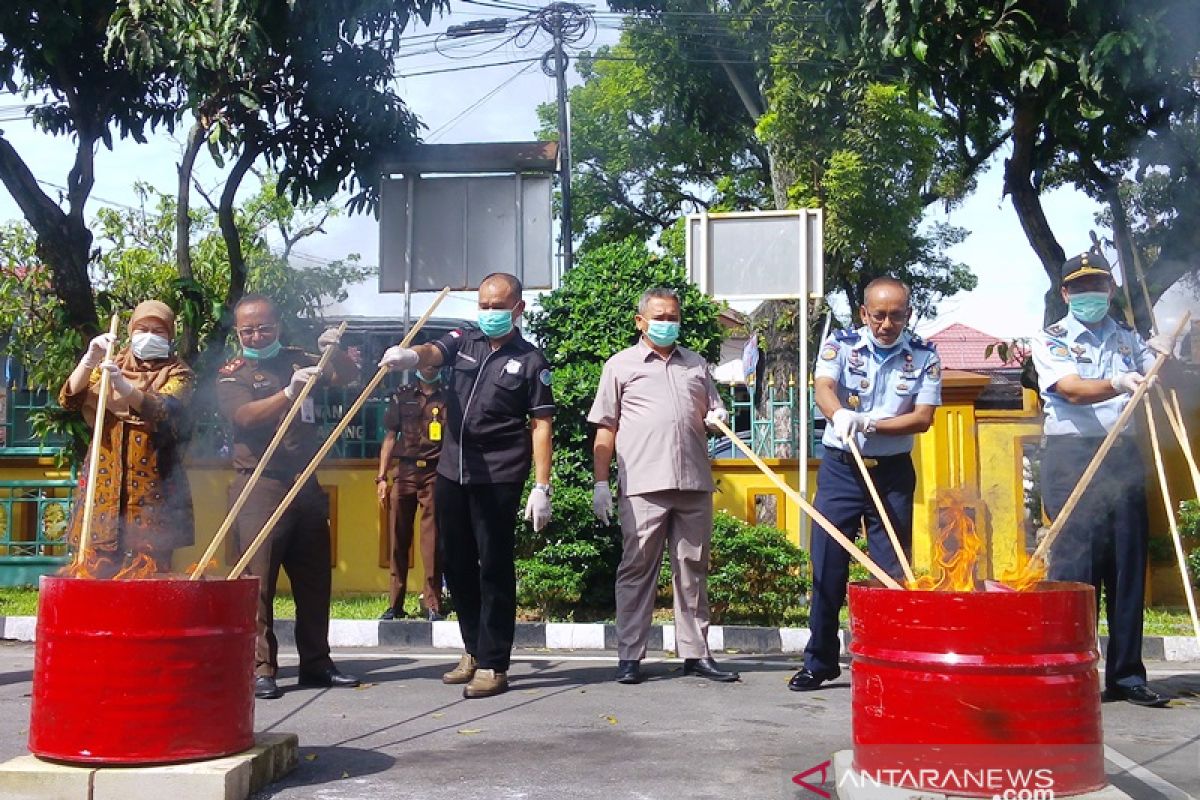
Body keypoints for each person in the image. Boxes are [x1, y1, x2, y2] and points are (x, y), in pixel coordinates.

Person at [379, 272, 554, 699]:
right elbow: (433, 351)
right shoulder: (466, 339)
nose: (489, 313)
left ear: (518, 309)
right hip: (452, 470)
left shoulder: (531, 361)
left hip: (499, 476)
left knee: (494, 567)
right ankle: (473, 650)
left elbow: (541, 424)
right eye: (484, 305)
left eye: (498, 306)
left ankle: (495, 663)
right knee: (455, 564)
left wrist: (542, 486)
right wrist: (409, 356)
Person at [1031, 249, 1175, 708]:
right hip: (1073, 455)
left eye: (1099, 285)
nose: (1092, 294)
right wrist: (1118, 383)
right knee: (1076, 568)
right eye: (1082, 287)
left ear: (1110, 290)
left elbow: (1149, 376)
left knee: (1127, 564)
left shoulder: (1127, 336)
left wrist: (1160, 356)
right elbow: (1069, 389)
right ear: (1066, 292)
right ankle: (1068, 673)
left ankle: (1127, 675)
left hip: (1122, 452)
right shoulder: (1051, 338)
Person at [790, 276, 942, 692]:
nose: (886, 324)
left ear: (908, 315)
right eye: (878, 315)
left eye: (896, 315)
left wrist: (871, 423)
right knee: (827, 564)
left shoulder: (926, 355)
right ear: (864, 314)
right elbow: (823, 387)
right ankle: (819, 660)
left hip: (892, 472)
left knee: (890, 570)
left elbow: (923, 417)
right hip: (841, 468)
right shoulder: (840, 344)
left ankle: (885, 661)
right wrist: (838, 413)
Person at [587, 287, 739, 684]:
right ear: (640, 321)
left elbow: (714, 408)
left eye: (673, 317)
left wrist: (717, 412)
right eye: (659, 317)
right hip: (643, 484)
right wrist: (601, 483)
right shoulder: (619, 366)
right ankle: (630, 656)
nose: (666, 323)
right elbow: (605, 429)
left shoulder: (696, 365)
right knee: (637, 569)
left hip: (693, 482)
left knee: (693, 568)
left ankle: (696, 653)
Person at [216, 294, 360, 700]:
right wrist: (286, 394)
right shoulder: (233, 372)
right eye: (248, 330)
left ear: (278, 325)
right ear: (238, 332)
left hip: (305, 481)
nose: (257, 335)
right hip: (260, 482)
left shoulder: (298, 359)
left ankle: (316, 661)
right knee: (258, 580)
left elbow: (346, 377)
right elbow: (243, 416)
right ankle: (261, 667)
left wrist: (332, 353)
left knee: (315, 577)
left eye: (265, 327)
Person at [60, 300, 195, 577]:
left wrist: (126, 388)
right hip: (105, 486)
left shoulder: (179, 372)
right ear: (131, 332)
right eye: (142, 329)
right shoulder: (110, 364)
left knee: (147, 572)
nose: (149, 336)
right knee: (96, 570)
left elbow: (164, 408)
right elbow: (69, 399)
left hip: (153, 488)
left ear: (170, 336)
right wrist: (89, 361)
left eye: (158, 331)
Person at [377, 364, 446, 621]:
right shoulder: (403, 396)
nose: (429, 368)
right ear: (416, 366)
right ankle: (395, 603)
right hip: (404, 473)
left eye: (433, 363)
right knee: (398, 538)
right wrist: (382, 478)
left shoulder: (448, 397)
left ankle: (432, 604)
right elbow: (389, 437)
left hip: (434, 473)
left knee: (432, 541)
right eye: (424, 363)